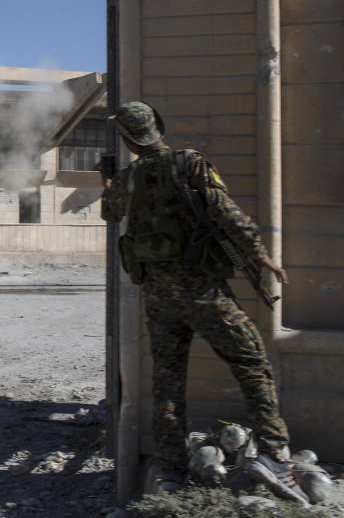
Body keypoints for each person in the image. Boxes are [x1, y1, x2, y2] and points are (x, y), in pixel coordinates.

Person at [100, 101, 308, 503]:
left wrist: (108, 182)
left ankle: (174, 470)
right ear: (157, 128)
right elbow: (226, 212)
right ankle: (274, 456)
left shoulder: (128, 178)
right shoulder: (188, 163)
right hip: (203, 292)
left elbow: (110, 213)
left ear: (128, 139)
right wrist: (261, 254)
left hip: (159, 297)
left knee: (167, 383)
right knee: (252, 363)